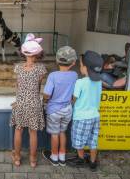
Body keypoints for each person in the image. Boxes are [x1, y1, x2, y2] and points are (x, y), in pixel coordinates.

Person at [10, 33, 47, 168]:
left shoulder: (18, 68)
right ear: (37, 53)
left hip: (21, 103)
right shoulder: (41, 69)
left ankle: (18, 158)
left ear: (24, 53)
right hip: (34, 103)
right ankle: (32, 160)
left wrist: (18, 99)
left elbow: (18, 86)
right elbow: (37, 86)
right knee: (33, 133)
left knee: (18, 130)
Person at [42, 46, 78, 166]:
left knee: (55, 134)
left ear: (57, 61)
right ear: (73, 63)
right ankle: (62, 157)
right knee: (63, 132)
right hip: (67, 109)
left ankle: (54, 156)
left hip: (54, 110)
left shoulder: (53, 76)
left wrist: (45, 100)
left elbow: (47, 94)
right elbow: (74, 94)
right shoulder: (74, 75)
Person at [67, 51, 103, 171]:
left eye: (81, 65)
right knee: (93, 140)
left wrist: (70, 101)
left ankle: (81, 159)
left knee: (79, 139)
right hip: (95, 116)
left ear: (86, 68)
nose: (80, 67)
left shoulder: (80, 82)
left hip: (81, 117)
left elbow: (74, 99)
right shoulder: (99, 82)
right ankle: (93, 162)